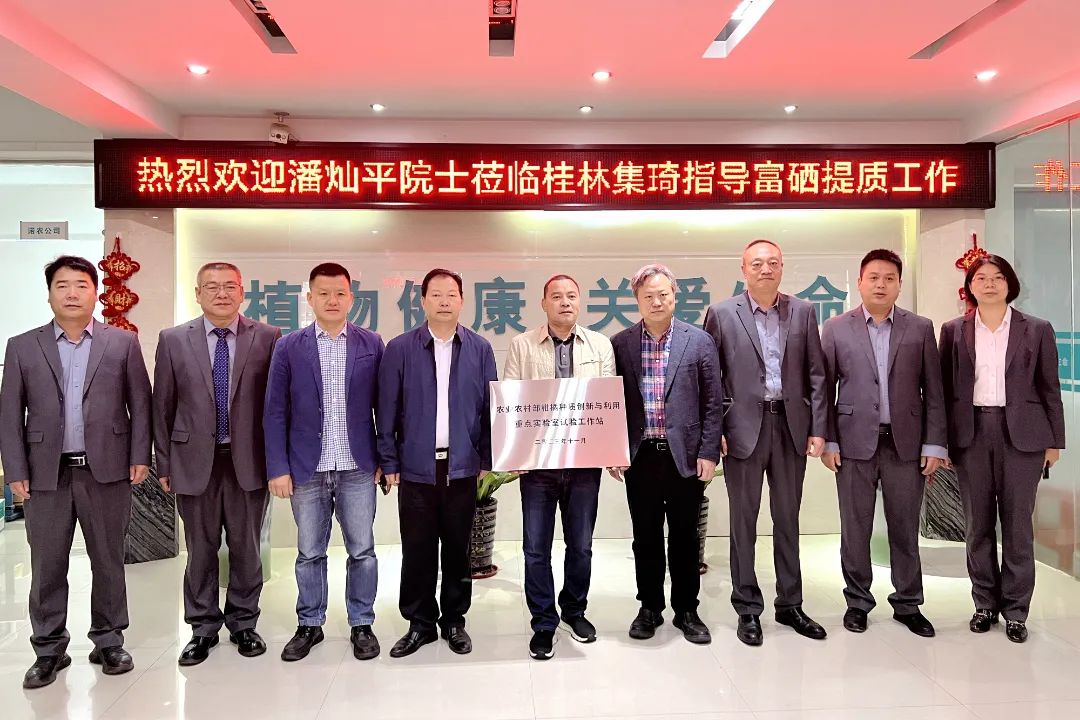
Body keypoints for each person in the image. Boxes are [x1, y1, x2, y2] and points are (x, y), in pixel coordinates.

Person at [0, 256, 151, 689]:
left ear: (95, 292)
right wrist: (15, 468)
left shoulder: (121, 343)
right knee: (47, 564)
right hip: (45, 474)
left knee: (108, 560)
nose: (71, 293)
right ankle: (48, 649)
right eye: (62, 285)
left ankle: (109, 641)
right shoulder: (22, 346)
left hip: (107, 470)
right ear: (49, 294)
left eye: (81, 285)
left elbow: (140, 404)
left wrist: (140, 454)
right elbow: (9, 413)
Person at [153, 262, 281, 665]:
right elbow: (162, 407)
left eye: (229, 286)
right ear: (198, 293)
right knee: (200, 549)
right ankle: (203, 627)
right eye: (212, 287)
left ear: (242, 292)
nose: (221, 294)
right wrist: (164, 464)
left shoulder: (268, 337)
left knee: (247, 547)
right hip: (193, 462)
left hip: (248, 461)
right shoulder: (173, 339)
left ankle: (244, 623)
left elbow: (276, 405)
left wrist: (277, 462)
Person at [703, 239, 828, 646]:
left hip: (791, 427)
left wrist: (818, 427)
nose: (765, 269)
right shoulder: (722, 313)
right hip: (741, 430)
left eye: (773, 262)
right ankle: (747, 607)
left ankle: (790, 604)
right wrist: (716, 429)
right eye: (757, 263)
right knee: (744, 521)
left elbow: (816, 374)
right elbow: (711, 377)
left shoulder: (803, 311)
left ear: (782, 267)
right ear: (744, 269)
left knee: (788, 518)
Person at [819, 249, 946, 637]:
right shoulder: (836, 328)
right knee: (854, 529)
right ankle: (858, 602)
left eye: (889, 278)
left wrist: (934, 445)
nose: (881, 284)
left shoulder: (920, 328)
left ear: (899, 285)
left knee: (904, 528)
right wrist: (829, 440)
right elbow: (824, 389)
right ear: (859, 282)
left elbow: (934, 391)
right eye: (873, 277)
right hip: (852, 444)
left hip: (905, 445)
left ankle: (908, 603)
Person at [939, 254, 1065, 644]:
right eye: (981, 278)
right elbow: (943, 391)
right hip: (971, 434)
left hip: (1024, 437)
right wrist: (942, 442)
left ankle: (1016, 611)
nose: (989, 284)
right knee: (977, 525)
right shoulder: (953, 330)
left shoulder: (1037, 329)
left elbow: (1050, 388)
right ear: (970, 287)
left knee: (1017, 527)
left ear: (1010, 284)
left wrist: (1055, 440)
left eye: (997, 277)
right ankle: (984, 605)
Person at [263, 263, 385, 661]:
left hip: (358, 467)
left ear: (352, 298)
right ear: (310, 298)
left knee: (362, 551)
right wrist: (278, 467)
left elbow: (385, 408)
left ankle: (361, 622)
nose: (332, 300)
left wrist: (386, 459)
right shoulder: (289, 346)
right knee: (309, 552)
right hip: (306, 469)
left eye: (340, 293)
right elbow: (274, 411)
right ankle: (310, 624)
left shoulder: (371, 343)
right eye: (324, 293)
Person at [377, 268, 498, 658]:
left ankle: (454, 621)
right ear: (423, 301)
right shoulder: (400, 349)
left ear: (462, 300)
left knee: (459, 551)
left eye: (451, 295)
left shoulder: (480, 349)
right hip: (416, 469)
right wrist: (388, 460)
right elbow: (386, 409)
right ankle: (420, 624)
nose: (444, 301)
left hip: (462, 468)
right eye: (436, 295)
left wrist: (486, 458)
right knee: (418, 550)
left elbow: (489, 410)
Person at [503, 274, 616, 660]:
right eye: (556, 296)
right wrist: (514, 454)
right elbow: (511, 401)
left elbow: (607, 402)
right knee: (536, 548)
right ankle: (543, 622)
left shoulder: (600, 345)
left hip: (584, 464)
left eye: (571, 295)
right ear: (544, 303)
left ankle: (574, 610)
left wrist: (611, 449)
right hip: (538, 467)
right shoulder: (522, 345)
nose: (565, 302)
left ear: (580, 301)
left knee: (580, 545)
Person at [610, 264, 722, 645]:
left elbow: (713, 402)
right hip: (641, 456)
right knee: (645, 537)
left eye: (663, 294)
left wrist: (708, 451)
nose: (656, 302)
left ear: (675, 296)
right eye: (648, 296)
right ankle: (650, 607)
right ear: (637, 300)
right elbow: (613, 403)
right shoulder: (621, 343)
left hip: (684, 456)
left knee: (685, 537)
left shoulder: (699, 341)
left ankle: (687, 609)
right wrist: (614, 449)